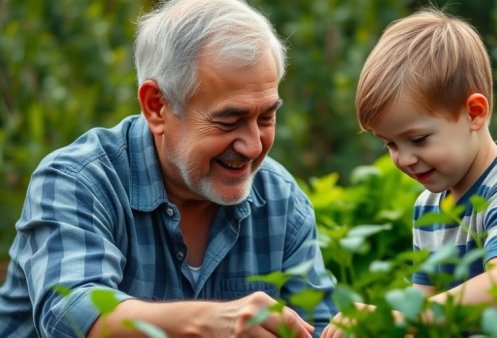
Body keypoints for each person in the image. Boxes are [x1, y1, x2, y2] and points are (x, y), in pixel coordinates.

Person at [0, 0, 337, 337]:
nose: (252, 145)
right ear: (156, 106)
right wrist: (211, 323)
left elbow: (318, 325)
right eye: (229, 121)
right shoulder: (78, 181)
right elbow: (73, 316)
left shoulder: (280, 200)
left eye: (266, 117)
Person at [322, 8, 497, 338]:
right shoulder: (429, 207)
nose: (403, 158)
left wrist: (398, 320)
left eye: (417, 139)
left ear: (474, 114)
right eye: (389, 144)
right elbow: (424, 306)